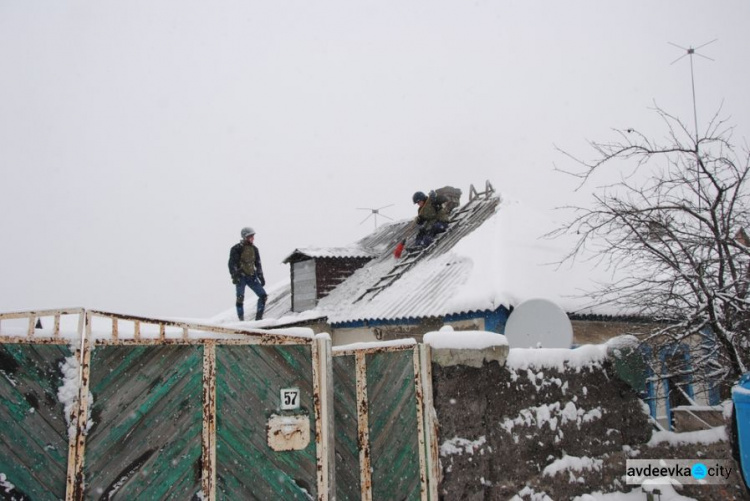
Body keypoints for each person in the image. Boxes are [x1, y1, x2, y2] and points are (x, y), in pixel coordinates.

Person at [228, 227, 267, 321]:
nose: (253, 238)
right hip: (241, 276)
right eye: (250, 236)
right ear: (245, 237)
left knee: (263, 296)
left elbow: (258, 263)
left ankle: (259, 319)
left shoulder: (255, 249)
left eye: (253, 236)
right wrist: (234, 274)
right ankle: (241, 319)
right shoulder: (236, 248)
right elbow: (231, 263)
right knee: (240, 298)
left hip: (251, 276)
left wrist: (260, 276)